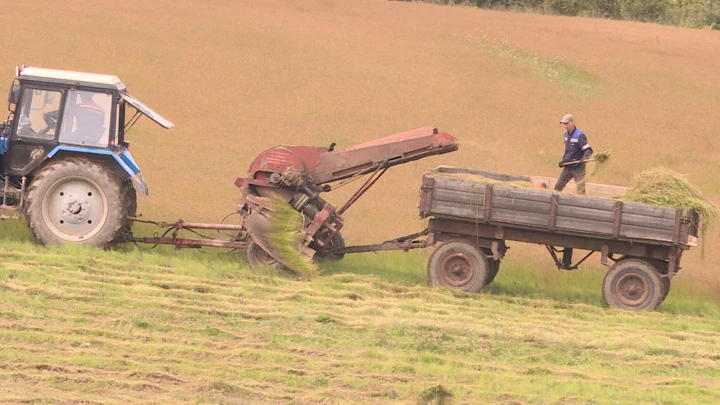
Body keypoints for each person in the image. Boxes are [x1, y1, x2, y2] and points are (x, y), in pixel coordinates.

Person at [555, 113, 592, 196]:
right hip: (568, 166)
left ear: (573, 122)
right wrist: (563, 161)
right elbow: (567, 151)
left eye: (567, 123)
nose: (565, 126)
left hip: (578, 167)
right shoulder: (566, 135)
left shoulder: (579, 135)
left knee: (580, 189)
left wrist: (584, 158)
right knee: (558, 187)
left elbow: (588, 150)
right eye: (564, 124)